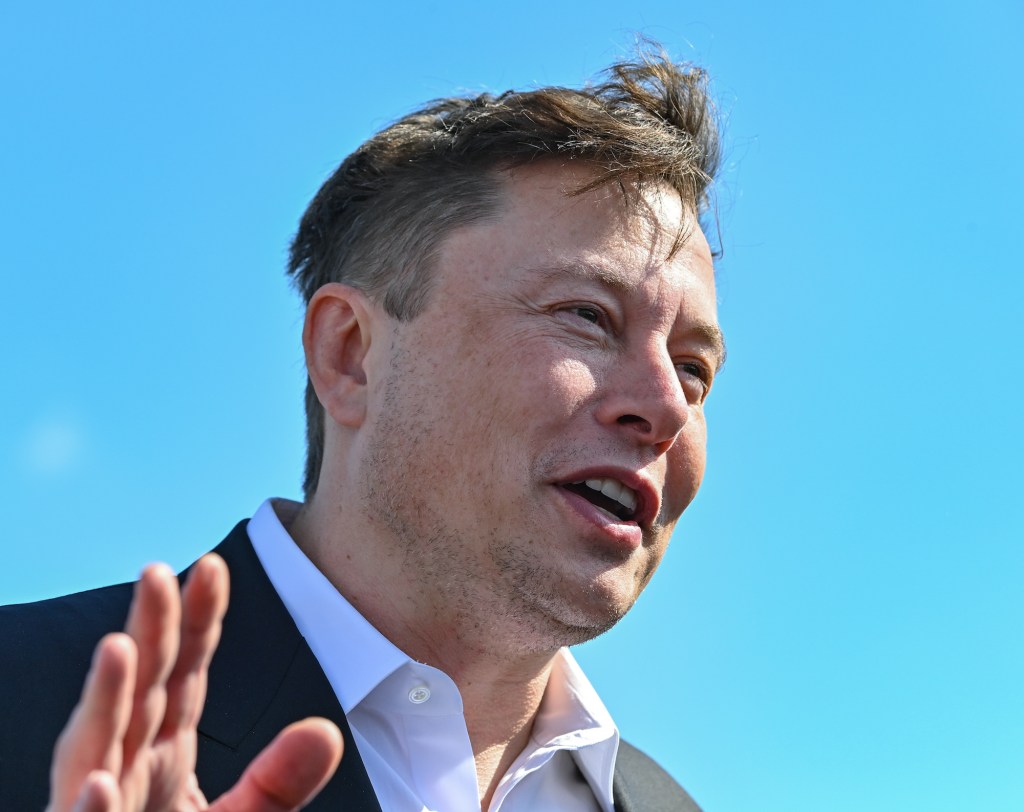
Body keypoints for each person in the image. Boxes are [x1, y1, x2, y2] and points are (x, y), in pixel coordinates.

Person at [0, 45, 725, 812]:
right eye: (586, 316)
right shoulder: (23, 701)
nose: (668, 408)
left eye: (693, 370)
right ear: (350, 355)